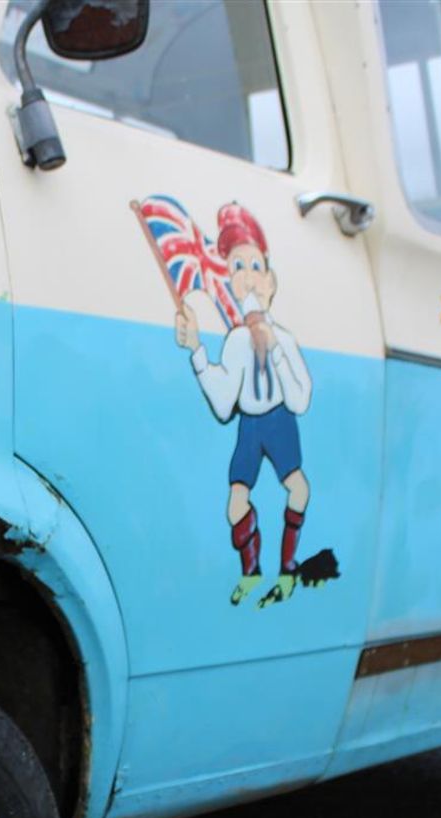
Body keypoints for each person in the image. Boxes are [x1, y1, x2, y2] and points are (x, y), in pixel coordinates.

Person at [173, 203, 314, 604]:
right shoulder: (235, 343)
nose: (248, 278)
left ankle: (288, 569)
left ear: (270, 281)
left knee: (298, 489)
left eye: (254, 266)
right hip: (250, 426)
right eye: (237, 267)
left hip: (280, 420)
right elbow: (222, 405)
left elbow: (301, 399)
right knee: (236, 502)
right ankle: (251, 571)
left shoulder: (284, 340)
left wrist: (275, 352)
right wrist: (197, 348)